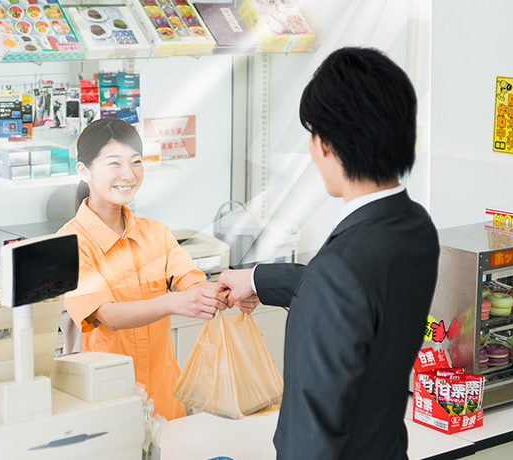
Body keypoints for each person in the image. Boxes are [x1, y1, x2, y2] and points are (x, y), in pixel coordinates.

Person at [216, 47, 440, 459]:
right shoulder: (416, 227)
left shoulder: (340, 270)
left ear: (325, 144)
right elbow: (358, 296)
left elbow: (311, 437)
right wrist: (255, 279)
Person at [58, 118, 227, 421]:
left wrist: (230, 290)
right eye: (114, 163)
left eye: (136, 162)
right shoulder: (69, 245)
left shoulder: (156, 233)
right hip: (106, 409)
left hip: (165, 402)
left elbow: (192, 283)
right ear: (84, 171)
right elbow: (107, 314)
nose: (128, 174)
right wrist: (172, 302)